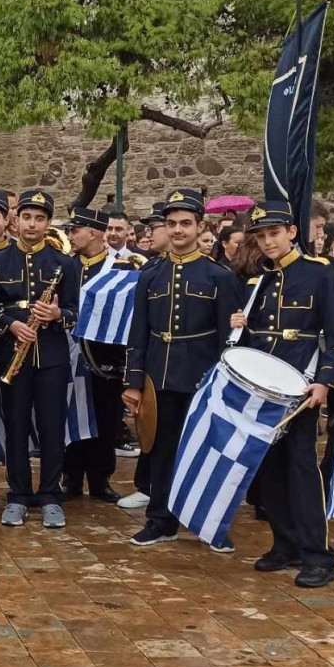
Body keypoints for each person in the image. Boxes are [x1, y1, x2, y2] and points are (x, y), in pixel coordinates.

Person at [227, 202, 334, 587]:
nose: (267, 242)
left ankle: (319, 554)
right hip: (264, 388)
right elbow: (253, 342)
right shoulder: (256, 281)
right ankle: (285, 544)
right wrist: (240, 327)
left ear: (292, 232)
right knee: (270, 470)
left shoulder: (318, 273)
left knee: (301, 469)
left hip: (301, 386)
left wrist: (324, 381)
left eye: (274, 233)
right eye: (261, 236)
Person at [123, 190, 239, 549]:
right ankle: (161, 520)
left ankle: (210, 523)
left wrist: (224, 383)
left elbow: (227, 337)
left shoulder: (219, 276)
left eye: (185, 223)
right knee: (161, 451)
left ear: (200, 226)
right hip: (159, 375)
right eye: (171, 224)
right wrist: (133, 381)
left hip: (202, 377)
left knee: (207, 451)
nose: (177, 230)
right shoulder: (150, 275)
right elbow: (138, 330)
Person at [0, 190, 80, 528]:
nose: (32, 224)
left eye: (40, 218)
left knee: (52, 427)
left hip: (51, 357)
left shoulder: (64, 263)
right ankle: (19, 495)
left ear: (48, 223)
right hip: (13, 355)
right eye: (27, 217)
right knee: (16, 427)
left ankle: (50, 494)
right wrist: (10, 323)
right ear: (16, 220)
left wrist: (57, 314)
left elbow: (75, 310)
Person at [62, 207, 131, 504]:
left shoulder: (121, 266)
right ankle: (71, 476)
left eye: (75, 230)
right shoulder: (66, 266)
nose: (70, 236)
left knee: (104, 417)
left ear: (93, 232)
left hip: (105, 357)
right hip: (70, 353)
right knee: (72, 415)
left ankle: (100, 479)